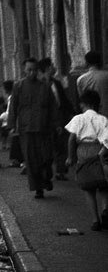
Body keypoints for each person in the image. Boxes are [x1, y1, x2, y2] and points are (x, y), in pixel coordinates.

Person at [8, 57, 57, 199]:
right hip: (26, 128)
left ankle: (46, 178)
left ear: (37, 70)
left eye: (34, 70)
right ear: (24, 70)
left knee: (46, 157)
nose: (32, 73)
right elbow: (13, 107)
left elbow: (52, 106)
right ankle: (38, 189)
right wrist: (12, 125)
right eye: (29, 70)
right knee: (31, 160)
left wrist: (57, 124)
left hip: (44, 128)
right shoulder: (19, 86)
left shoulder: (45, 86)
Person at [65, 89, 108, 231]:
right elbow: (107, 140)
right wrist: (102, 154)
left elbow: (71, 139)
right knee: (103, 185)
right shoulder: (103, 119)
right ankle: (105, 209)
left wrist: (71, 157)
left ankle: (95, 220)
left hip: (83, 152)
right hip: (99, 150)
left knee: (88, 188)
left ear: (84, 104)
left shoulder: (78, 119)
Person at [41, 57, 75, 180]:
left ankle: (60, 171)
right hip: (46, 120)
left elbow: (64, 100)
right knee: (48, 146)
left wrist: (73, 112)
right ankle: (48, 171)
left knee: (61, 144)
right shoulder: (41, 84)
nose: (54, 68)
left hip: (60, 117)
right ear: (46, 68)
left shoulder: (56, 83)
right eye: (51, 66)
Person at [77, 51, 108, 117]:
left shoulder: (80, 80)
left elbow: (82, 98)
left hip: (89, 114)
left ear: (86, 63)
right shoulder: (106, 76)